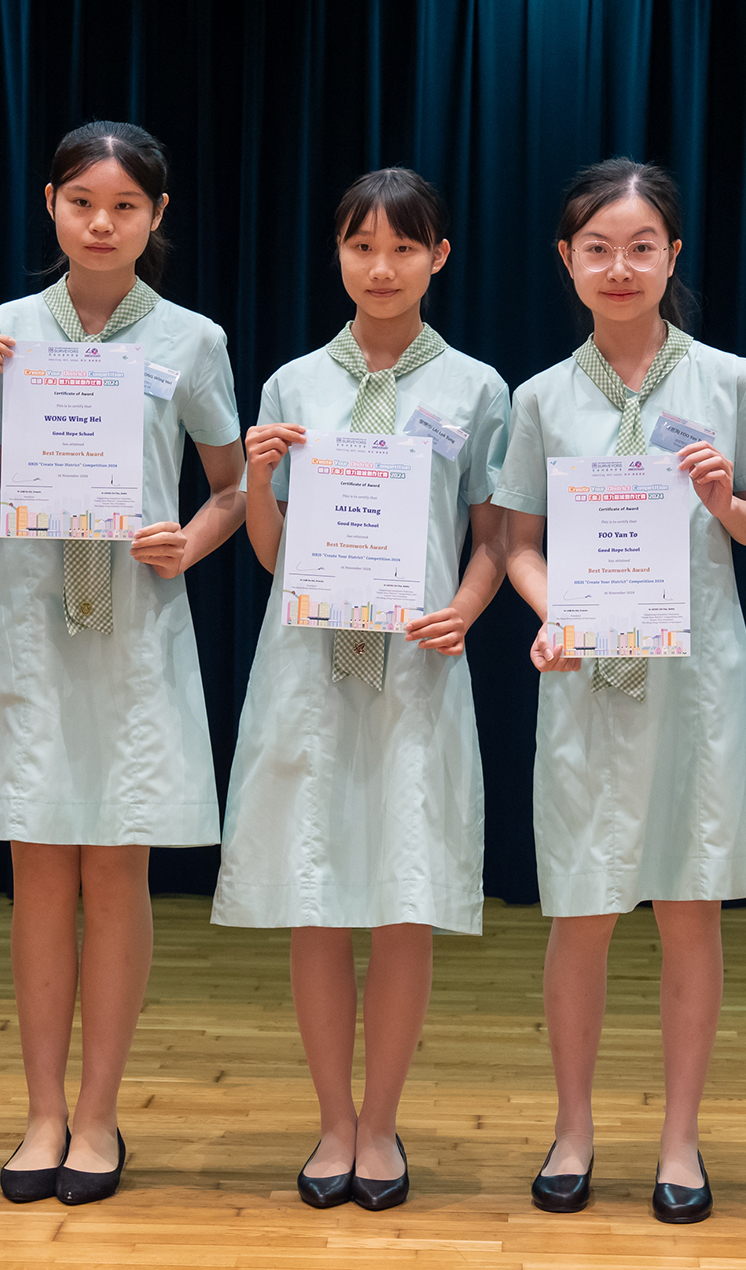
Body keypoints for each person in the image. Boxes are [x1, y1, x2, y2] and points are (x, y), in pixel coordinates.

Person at [0, 121, 245, 1206]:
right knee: (36, 873)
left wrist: (189, 542)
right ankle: (41, 1114)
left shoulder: (193, 340)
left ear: (157, 217)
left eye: (124, 207)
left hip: (134, 628)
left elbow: (232, 486)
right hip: (27, 619)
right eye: (82, 203)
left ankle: (100, 1114)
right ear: (51, 207)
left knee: (116, 871)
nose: (101, 223)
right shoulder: (6, 331)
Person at [213, 168, 509, 1213]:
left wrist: (464, 610)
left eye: (403, 247)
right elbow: (270, 551)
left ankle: (381, 1124)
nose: (381, 268)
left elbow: (492, 537)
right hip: (309, 669)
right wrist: (257, 478)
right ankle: (332, 1121)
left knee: (403, 898)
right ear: (336, 253)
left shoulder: (477, 388)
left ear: (439, 257)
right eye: (360, 246)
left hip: (416, 671)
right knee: (315, 895)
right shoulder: (293, 384)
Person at [497, 158, 746, 1225]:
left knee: (689, 910)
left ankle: (679, 1140)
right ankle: (573, 1130)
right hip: (586, 681)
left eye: (641, 247)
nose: (619, 267)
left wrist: (723, 499)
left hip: (697, 682)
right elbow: (518, 545)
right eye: (598, 249)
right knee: (580, 912)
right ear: (567, 261)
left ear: (673, 256)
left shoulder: (730, 381)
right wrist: (553, 613)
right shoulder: (540, 397)